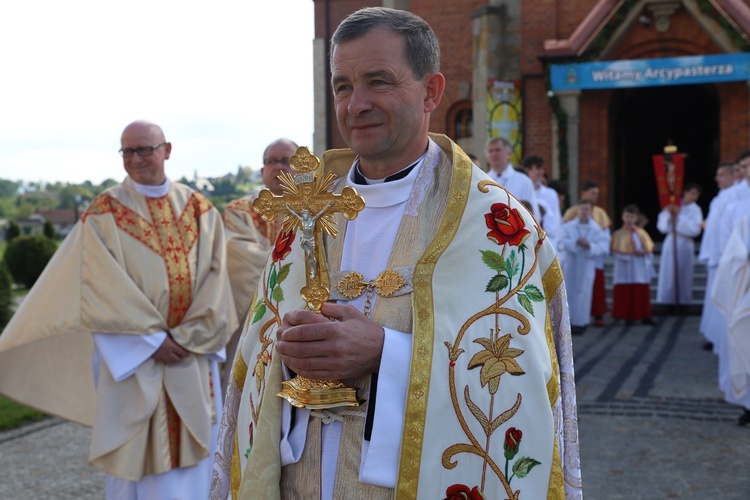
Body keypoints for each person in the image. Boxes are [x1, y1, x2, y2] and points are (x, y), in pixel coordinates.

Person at [211, 7, 581, 499]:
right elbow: (256, 359)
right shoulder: (308, 209)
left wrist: (387, 352)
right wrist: (286, 351)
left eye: (377, 81)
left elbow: (523, 374)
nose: (355, 103)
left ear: (431, 91)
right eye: (342, 86)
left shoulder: (492, 221)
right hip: (300, 478)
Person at [0, 120, 237, 499]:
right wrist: (151, 341)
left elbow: (216, 280)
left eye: (145, 149)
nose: (136, 158)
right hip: (135, 358)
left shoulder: (200, 210)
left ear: (167, 150)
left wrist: (189, 337)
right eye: (128, 151)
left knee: (198, 464)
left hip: (190, 356)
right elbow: (99, 288)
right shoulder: (103, 213)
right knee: (135, 467)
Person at [222, 138, 297, 390]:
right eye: (271, 162)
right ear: (263, 170)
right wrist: (296, 269)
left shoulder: (316, 209)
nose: (278, 167)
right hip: (251, 317)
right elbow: (241, 257)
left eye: (286, 161)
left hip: (300, 318)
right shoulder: (241, 209)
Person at [711, 214, 750, 426]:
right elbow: (733, 255)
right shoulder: (746, 222)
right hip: (746, 291)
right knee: (745, 344)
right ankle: (749, 406)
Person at [563, 181, 611, 327]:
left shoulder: (598, 220)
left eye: (597, 194)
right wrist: (574, 244)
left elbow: (604, 242)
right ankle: (569, 321)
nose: (596, 196)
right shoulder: (570, 219)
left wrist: (591, 246)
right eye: (593, 193)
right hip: (572, 261)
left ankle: (584, 320)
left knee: (586, 292)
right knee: (570, 291)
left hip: (589, 261)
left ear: (590, 212)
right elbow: (561, 240)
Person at [698, 162, 735, 350]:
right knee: (712, 297)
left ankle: (720, 338)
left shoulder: (733, 198)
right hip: (714, 255)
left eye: (721, 175)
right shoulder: (719, 198)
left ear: (732, 175)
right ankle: (713, 335)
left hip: (724, 256)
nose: (717, 179)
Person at [655, 183, 703, 308]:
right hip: (671, 241)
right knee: (669, 271)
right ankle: (668, 301)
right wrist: (670, 216)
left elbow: (695, 229)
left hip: (685, 243)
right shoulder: (673, 205)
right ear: (685, 192)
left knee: (684, 272)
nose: (694, 197)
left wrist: (679, 217)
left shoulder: (696, 209)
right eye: (692, 193)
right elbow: (662, 226)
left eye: (696, 195)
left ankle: (683, 301)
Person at [610, 204, 656, 325]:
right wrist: (629, 254)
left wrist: (642, 253)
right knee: (626, 291)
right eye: (627, 216)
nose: (629, 219)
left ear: (636, 218)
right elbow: (615, 252)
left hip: (639, 267)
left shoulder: (642, 233)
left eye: (632, 217)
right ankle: (627, 316)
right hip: (625, 267)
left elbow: (649, 250)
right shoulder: (618, 234)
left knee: (641, 292)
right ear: (622, 217)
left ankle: (644, 316)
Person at [485, 136, 541, 220]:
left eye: (498, 150)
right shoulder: (483, 180)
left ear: (509, 154)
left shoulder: (524, 180)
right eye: (490, 151)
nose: (494, 154)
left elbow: (534, 214)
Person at [523, 154, 562, 251]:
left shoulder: (550, 194)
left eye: (542, 169)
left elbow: (555, 221)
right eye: (537, 168)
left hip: (546, 241)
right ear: (528, 170)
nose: (541, 172)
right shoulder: (523, 191)